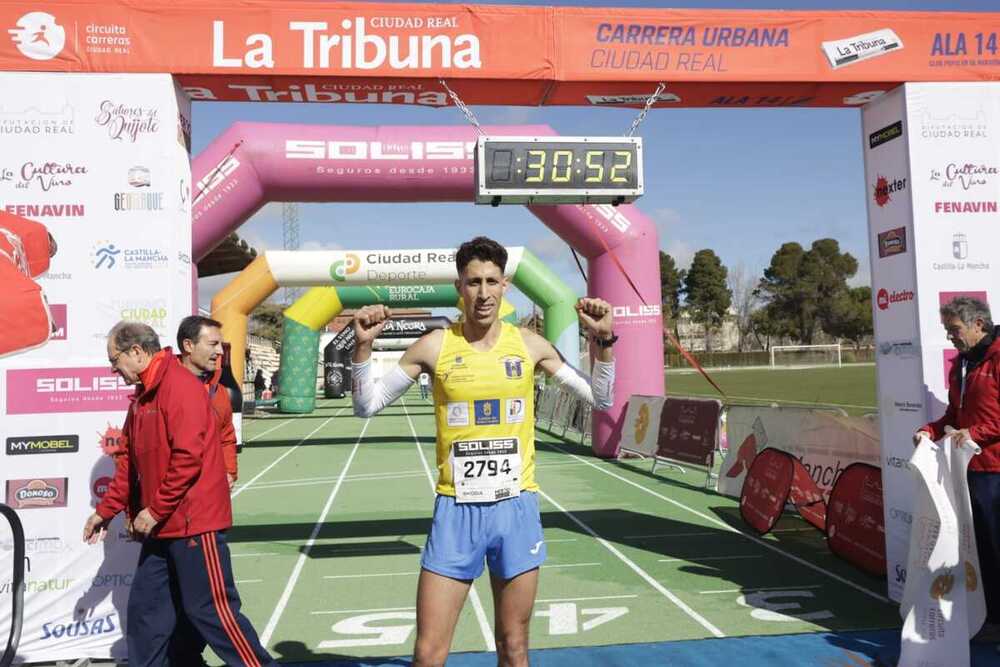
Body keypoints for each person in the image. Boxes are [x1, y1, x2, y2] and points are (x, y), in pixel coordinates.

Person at [351, 236, 615, 666]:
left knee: (514, 645)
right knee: (429, 652)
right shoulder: (434, 345)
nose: (483, 292)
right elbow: (367, 406)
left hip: (516, 509)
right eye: (474, 282)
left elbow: (600, 399)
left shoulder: (529, 345)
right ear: (459, 287)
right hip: (457, 511)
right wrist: (363, 347)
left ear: (505, 285)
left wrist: (602, 343)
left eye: (492, 281)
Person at [83, 321, 276, 667]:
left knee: (213, 613)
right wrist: (105, 511)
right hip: (161, 526)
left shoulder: (179, 387)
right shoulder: (142, 397)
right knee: (147, 615)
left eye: (115, 360)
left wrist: (154, 511)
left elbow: (189, 458)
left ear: (137, 352)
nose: (114, 369)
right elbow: (129, 462)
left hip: (193, 524)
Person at [914, 297, 1000, 642]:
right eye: (948, 330)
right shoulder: (961, 364)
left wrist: (974, 433)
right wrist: (930, 430)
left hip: (995, 470)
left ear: (979, 324)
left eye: (955, 330)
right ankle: (993, 619)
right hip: (969, 471)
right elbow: (956, 415)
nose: (951, 337)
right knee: (983, 551)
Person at [169, 315, 240, 666]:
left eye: (220, 345)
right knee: (159, 607)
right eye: (212, 345)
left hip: (201, 511)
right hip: (170, 511)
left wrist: (229, 469)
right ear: (187, 346)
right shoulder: (169, 385)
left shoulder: (215, 388)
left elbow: (226, 432)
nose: (219, 352)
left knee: (208, 603)